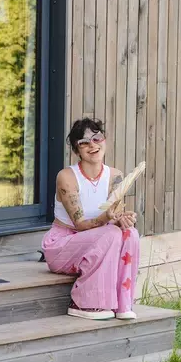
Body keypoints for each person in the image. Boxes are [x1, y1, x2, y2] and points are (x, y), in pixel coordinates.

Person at [42, 118, 140, 320]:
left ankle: (123, 303)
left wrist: (124, 219)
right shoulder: (67, 176)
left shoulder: (115, 176)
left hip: (100, 240)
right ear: (77, 151)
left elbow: (114, 218)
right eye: (84, 142)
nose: (92, 145)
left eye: (97, 138)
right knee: (112, 232)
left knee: (130, 233)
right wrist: (107, 219)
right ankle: (84, 302)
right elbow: (80, 224)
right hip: (63, 245)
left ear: (104, 140)